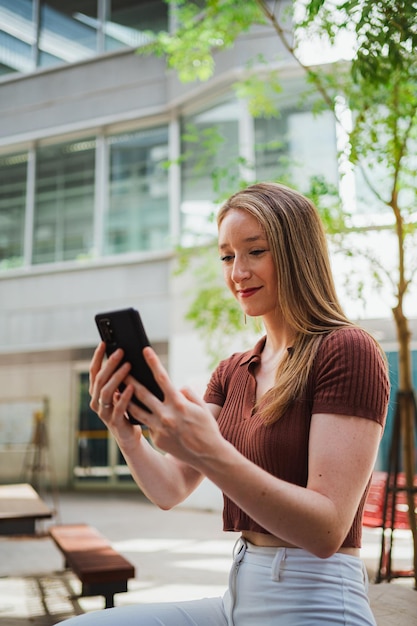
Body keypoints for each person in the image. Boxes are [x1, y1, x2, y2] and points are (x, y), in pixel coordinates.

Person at [62, 182, 390, 625]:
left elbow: (326, 529)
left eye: (256, 251)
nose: (238, 272)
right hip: (238, 597)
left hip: (316, 604)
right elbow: (171, 489)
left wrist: (209, 450)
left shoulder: (347, 349)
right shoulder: (234, 370)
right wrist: (126, 431)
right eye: (227, 256)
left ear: (297, 253)